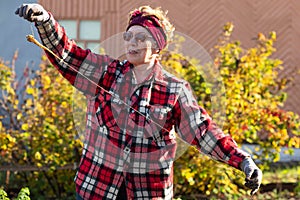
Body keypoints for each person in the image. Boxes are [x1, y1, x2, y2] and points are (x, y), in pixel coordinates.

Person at [15, 3, 262, 200]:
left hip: (149, 192)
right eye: (129, 36)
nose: (132, 43)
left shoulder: (174, 90)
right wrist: (46, 21)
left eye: (141, 38)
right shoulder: (106, 72)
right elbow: (67, 54)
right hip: (96, 189)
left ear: (156, 46)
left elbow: (202, 131)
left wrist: (243, 160)